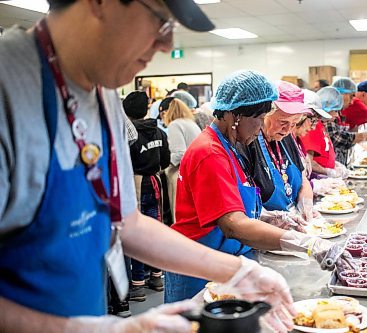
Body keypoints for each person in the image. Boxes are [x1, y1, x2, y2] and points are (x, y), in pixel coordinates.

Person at [0, 1, 297, 332]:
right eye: (161, 20)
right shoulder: (8, 87)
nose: (167, 44)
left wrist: (238, 271)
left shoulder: (104, 93)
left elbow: (127, 221)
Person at [168, 70, 355, 304]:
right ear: (236, 115)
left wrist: (267, 217)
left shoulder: (232, 146)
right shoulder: (210, 153)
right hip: (199, 270)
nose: (260, 129)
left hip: (227, 262)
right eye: (259, 119)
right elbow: (232, 225)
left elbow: (233, 202)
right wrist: (308, 244)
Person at [240, 81, 318, 224]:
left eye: (294, 123)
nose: (288, 129)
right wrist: (275, 219)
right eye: (283, 122)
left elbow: (302, 179)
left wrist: (305, 206)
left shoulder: (287, 138)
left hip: (294, 223)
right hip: (265, 233)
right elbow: (244, 205)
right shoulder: (248, 142)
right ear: (265, 114)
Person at [123, 91, 169, 301]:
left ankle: (137, 284)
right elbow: (166, 161)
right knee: (156, 231)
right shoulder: (159, 132)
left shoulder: (128, 135)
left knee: (136, 233)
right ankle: (157, 276)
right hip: (156, 183)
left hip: (136, 184)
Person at [319, 86, 367, 165]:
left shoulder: (335, 115)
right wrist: (363, 136)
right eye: (351, 97)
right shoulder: (325, 120)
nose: (352, 102)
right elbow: (335, 138)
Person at [161, 98, 201, 224]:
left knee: (178, 216)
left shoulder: (174, 125)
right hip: (195, 172)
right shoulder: (191, 123)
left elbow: (179, 153)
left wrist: (162, 167)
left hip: (180, 174)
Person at [300, 89, 349, 179]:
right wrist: (328, 171)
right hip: (317, 179)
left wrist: (335, 165)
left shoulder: (320, 125)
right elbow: (309, 162)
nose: (337, 115)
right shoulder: (312, 127)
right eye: (335, 111)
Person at [291, 89, 332, 179]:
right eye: (313, 121)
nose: (313, 127)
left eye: (316, 122)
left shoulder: (297, 142)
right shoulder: (286, 142)